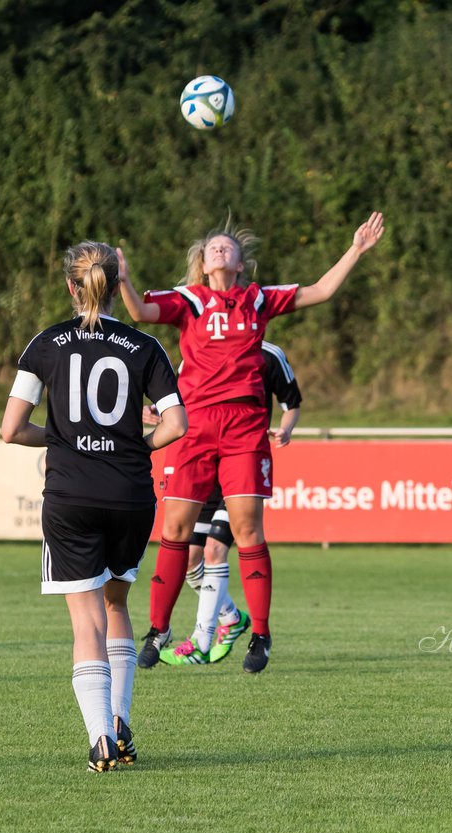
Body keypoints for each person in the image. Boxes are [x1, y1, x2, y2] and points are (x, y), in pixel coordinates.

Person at [118, 212, 384, 674]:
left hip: (244, 426)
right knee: (175, 531)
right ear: (203, 264)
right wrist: (123, 278)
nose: (220, 249)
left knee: (247, 532)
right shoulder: (189, 301)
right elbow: (140, 313)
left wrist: (356, 249)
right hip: (196, 425)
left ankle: (259, 633)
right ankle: (159, 628)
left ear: (240, 264)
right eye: (212, 247)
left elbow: (320, 291)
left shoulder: (257, 299)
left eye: (228, 246)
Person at [2, 240, 186, 772]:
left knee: (86, 623)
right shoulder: (145, 345)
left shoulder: (45, 343)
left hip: (71, 496)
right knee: (116, 606)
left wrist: (59, 438)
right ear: (112, 282)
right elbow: (176, 424)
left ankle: (101, 739)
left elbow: (11, 429)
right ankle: (122, 722)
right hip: (130, 496)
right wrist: (136, 445)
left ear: (70, 285)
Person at [142, 340, 303, 665]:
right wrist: (158, 413)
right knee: (189, 561)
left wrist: (285, 430)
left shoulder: (269, 355)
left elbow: (292, 402)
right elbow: (181, 403)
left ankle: (202, 639)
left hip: (238, 467)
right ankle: (231, 618)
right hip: (202, 467)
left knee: (216, 550)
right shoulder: (195, 353)